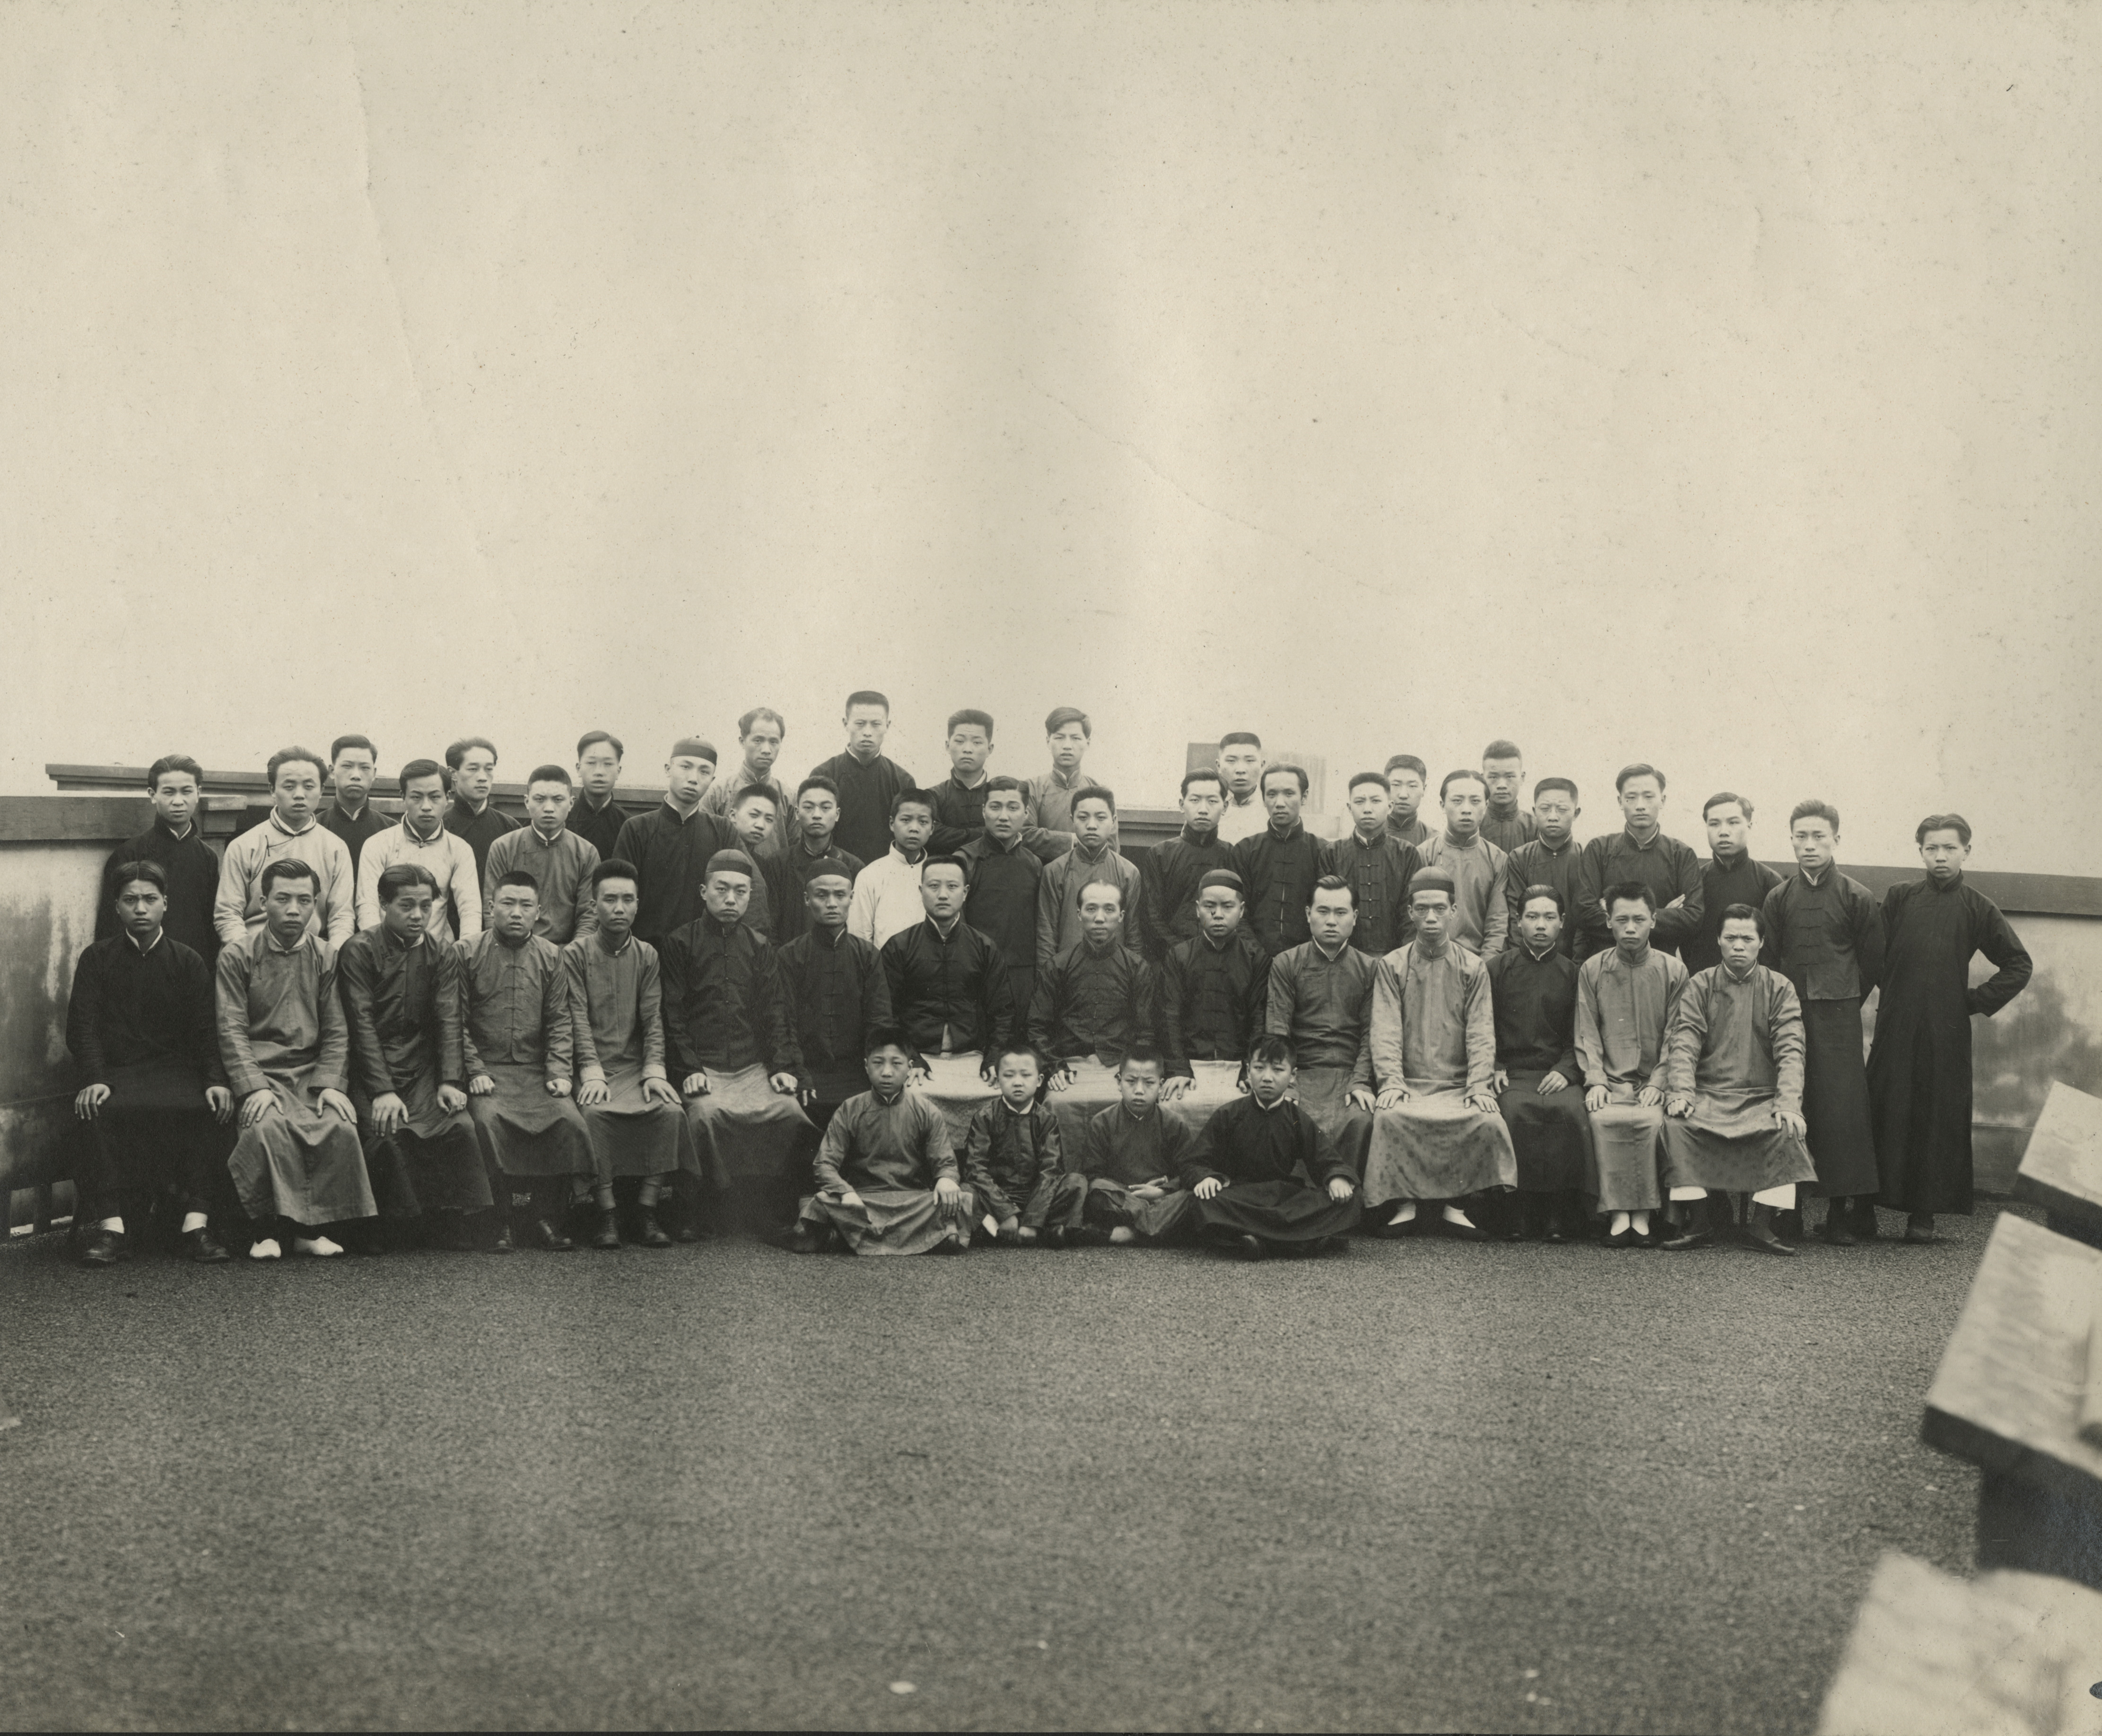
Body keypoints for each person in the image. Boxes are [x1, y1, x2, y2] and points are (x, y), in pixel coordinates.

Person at [1866, 814, 2032, 1243]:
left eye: (1949, 849)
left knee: (1934, 1114)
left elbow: (2018, 964)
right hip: (1896, 1025)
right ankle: (1861, 1211)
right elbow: (1874, 955)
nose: (1940, 857)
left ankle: (1922, 1215)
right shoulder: (1900, 898)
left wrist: (1973, 1001)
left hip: (1946, 1031)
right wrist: (1897, 991)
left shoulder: (1977, 907)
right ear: (1920, 851)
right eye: (1931, 849)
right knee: (1884, 1105)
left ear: (1966, 852)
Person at [67, 860, 235, 1266]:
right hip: (118, 1075)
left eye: (149, 899)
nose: (140, 908)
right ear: (117, 908)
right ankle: (112, 1229)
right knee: (91, 1109)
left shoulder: (188, 960)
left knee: (217, 1106)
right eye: (130, 900)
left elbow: (205, 1030)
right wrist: (95, 1078)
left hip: (176, 1073)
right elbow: (82, 1027)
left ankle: (195, 1226)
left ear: (165, 905)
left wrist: (216, 1079)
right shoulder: (97, 959)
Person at [216, 859, 375, 1259]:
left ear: (316, 904)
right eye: (282, 899)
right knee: (265, 1128)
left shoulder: (326, 956)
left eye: (304, 901)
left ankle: (309, 1229)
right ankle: (266, 1230)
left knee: (338, 1126)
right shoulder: (238, 955)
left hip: (309, 1073)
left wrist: (329, 1085)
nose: (293, 910)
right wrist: (253, 1087)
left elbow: (338, 1029)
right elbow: (230, 1028)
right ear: (263, 900)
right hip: (261, 1072)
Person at [659, 850, 817, 1235]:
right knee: (705, 1116)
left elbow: (774, 1014)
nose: (731, 900)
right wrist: (690, 1070)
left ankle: (765, 1203)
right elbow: (673, 1016)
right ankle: (699, 1207)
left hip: (750, 1066)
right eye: (722, 890)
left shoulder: (760, 946)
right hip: (704, 1065)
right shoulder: (680, 943)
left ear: (750, 897)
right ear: (703, 891)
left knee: (789, 1113)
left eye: (741, 892)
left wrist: (781, 1068)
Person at [337, 863, 493, 1251]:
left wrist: (449, 1080)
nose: (418, 916)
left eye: (426, 906)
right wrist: (382, 1091)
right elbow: (361, 1025)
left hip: (424, 1065)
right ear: (383, 903)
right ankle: (391, 1225)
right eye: (406, 906)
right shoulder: (358, 950)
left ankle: (450, 1219)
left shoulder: (442, 952)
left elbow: (448, 1019)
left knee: (457, 1126)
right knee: (385, 1132)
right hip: (371, 1067)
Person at [1360, 867, 1518, 1240]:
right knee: (1390, 1118)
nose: (1430, 917)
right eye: (1422, 909)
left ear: (1454, 911)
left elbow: (1481, 1031)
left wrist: (1478, 1085)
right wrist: (1390, 1082)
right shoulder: (1392, 966)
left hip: (1457, 1083)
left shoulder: (1473, 966)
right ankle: (1404, 1204)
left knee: (1486, 1120)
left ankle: (1457, 1204)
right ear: (1411, 913)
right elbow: (1384, 1029)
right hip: (1409, 1081)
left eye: (1438, 908)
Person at [1760, 800, 1885, 1243]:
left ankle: (1837, 1214)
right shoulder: (1778, 897)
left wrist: (1843, 996)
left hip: (1838, 1015)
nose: (1809, 846)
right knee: (1794, 1104)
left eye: (1818, 837)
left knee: (1841, 1112)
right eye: (1801, 836)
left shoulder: (1857, 896)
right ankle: (1789, 1213)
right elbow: (1770, 959)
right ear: (1790, 839)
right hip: (1789, 1013)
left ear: (1836, 839)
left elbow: (1872, 962)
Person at [1657, 905, 1815, 1256]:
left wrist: (1788, 1103)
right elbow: (1683, 1042)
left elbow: (1792, 1050)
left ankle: (1761, 1225)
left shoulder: (1779, 987)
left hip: (1760, 1096)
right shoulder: (1700, 984)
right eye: (1731, 938)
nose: (1738, 946)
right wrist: (1681, 1092)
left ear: (1761, 942)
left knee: (1785, 1129)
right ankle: (1699, 1223)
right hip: (1707, 1093)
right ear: (1718, 941)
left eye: (1747, 938)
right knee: (1677, 1125)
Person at [458, 871, 596, 1252]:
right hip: (487, 1072)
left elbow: (559, 1020)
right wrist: (475, 1070)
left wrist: (558, 1072)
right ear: (491, 908)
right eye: (507, 903)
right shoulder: (466, 952)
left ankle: (545, 1216)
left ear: (539, 912)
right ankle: (499, 1218)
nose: (516, 913)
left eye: (525, 906)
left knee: (566, 1119)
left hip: (536, 1072)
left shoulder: (552, 956)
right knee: (487, 1122)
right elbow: (456, 1021)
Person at [564, 859, 693, 1250]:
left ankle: (646, 1209)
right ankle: (607, 1213)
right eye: (610, 900)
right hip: (593, 1068)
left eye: (627, 900)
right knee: (594, 1114)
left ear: (638, 904)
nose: (618, 908)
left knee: (669, 1112)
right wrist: (590, 1070)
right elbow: (576, 1019)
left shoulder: (647, 955)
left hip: (635, 1068)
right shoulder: (575, 954)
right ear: (594, 904)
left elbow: (654, 1017)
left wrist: (654, 1070)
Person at [785, 1026, 974, 1256]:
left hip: (911, 1200)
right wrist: (845, 1192)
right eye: (878, 1063)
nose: (886, 1072)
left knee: (959, 1197)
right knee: (823, 1200)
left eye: (896, 1064)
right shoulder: (850, 1109)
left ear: (909, 1068)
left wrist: (946, 1179)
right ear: (866, 1066)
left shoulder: (926, 1111)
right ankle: (932, 1238)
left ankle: (845, 1238)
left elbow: (944, 1160)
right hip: (863, 1198)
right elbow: (825, 1164)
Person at [1575, 883, 1689, 1247]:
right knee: (1601, 1118)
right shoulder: (1592, 969)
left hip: (1654, 1082)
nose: (1629, 928)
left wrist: (1659, 1082)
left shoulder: (1673, 971)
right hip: (1610, 1081)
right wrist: (1595, 1080)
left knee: (1652, 1120)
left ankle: (1642, 1215)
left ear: (1654, 921)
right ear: (1607, 921)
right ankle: (1617, 1213)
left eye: (1638, 919)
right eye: (1621, 919)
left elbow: (1677, 1035)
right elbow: (1587, 1031)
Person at [1181, 1036, 1360, 1259]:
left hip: (1283, 1196)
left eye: (1277, 1070)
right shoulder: (1229, 1114)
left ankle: (1252, 1241)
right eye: (1259, 1068)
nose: (1267, 1078)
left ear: (1292, 1076)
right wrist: (1206, 1178)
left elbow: (1325, 1158)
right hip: (1241, 1196)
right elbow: (1194, 1162)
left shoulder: (1297, 1118)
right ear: (1248, 1071)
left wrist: (1336, 1177)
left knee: (1351, 1197)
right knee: (1203, 1201)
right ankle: (1299, 1242)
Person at [879, 855, 1022, 1132]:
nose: (943, 895)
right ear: (921, 891)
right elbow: (886, 1013)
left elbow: (1002, 1012)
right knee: (906, 1099)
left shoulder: (984, 947)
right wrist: (910, 1056)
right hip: (919, 1056)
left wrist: (993, 1057)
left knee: (999, 1100)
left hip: (971, 1056)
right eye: (934, 887)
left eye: (953, 887)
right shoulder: (899, 947)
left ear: (966, 893)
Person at [1485, 885, 1591, 1241]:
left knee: (1570, 1111)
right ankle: (1518, 1211)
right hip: (1511, 1073)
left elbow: (1581, 1033)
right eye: (1532, 917)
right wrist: (1495, 1064)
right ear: (1518, 922)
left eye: (1549, 917)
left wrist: (1565, 1070)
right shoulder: (1496, 969)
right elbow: (1483, 1027)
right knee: (1515, 1111)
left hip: (1557, 1072)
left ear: (1562, 923)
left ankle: (1559, 1212)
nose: (1540, 925)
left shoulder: (1573, 973)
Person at [1029, 877, 1158, 1146]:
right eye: (1091, 909)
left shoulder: (1137, 968)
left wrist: (1130, 1070)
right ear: (1078, 914)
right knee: (1058, 1103)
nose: (1100, 918)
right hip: (1070, 1066)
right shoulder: (1058, 966)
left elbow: (1146, 1030)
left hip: (1119, 1069)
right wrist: (1054, 1067)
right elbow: (1037, 1027)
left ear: (1122, 916)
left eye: (1109, 910)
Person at [1263, 876, 1375, 1176]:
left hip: (1350, 1075)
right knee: (1289, 1118)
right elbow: (1278, 1030)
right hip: (1304, 1073)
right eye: (1323, 911)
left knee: (1361, 1120)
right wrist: (1289, 1084)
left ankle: (1345, 1206)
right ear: (1307, 914)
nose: (1331, 921)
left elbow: (1371, 1033)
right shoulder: (1287, 963)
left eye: (1341, 913)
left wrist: (1361, 1081)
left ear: (1355, 918)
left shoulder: (1370, 968)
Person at [776, 860, 894, 1132]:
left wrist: (874, 1071)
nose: (832, 903)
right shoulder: (790, 955)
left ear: (851, 898)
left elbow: (880, 1021)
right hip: (808, 1072)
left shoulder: (867, 955)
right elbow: (785, 1023)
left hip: (857, 1073)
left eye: (840, 895)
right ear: (807, 900)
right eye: (822, 895)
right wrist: (798, 1073)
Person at [1160, 869, 1271, 1130]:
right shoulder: (1180, 956)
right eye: (1210, 906)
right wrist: (1178, 1069)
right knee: (1170, 1107)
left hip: (1237, 1067)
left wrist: (1250, 1069)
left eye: (1227, 906)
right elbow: (1170, 1017)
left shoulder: (1256, 959)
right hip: (1192, 1066)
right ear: (1198, 909)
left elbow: (1260, 1019)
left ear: (1241, 911)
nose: (1218, 914)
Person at [214, 747, 356, 947]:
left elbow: (342, 917)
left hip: (312, 956)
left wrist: (331, 959)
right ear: (272, 789)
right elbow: (228, 914)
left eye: (309, 786)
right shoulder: (244, 846)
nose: (299, 795)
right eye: (289, 786)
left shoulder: (335, 848)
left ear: (322, 790)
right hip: (252, 953)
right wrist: (248, 956)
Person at [96, 754, 222, 965]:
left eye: (187, 791)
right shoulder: (129, 854)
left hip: (194, 974)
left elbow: (212, 926)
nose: (178, 801)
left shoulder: (207, 857)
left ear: (199, 793)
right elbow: (109, 930)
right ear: (153, 795)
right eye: (169, 792)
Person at [1064, 1050, 1198, 1246]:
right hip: (1121, 1198)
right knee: (1095, 1190)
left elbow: (1187, 1172)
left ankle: (1130, 1233)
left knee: (1193, 1196)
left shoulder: (1174, 1123)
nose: (1139, 1090)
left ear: (1161, 1086)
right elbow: (1093, 1175)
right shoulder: (1102, 1123)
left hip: (1160, 1198)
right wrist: (1129, 1194)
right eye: (1131, 1081)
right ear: (1119, 1083)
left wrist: (1160, 1192)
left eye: (1149, 1083)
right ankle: (1151, 1229)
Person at [1573, 764, 1704, 960]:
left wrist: (1616, 915)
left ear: (1663, 800)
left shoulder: (1681, 854)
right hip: (1606, 962)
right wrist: (1661, 916)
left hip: (1662, 965)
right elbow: (1584, 912)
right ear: (1620, 801)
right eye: (1631, 797)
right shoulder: (1599, 849)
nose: (1640, 805)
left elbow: (1693, 917)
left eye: (1649, 797)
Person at [612, 738, 734, 946]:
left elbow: (748, 888)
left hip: (704, 954)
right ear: (668, 769)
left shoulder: (722, 830)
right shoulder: (637, 829)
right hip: (646, 953)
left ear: (712, 779)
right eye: (686, 767)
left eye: (704, 772)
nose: (693, 779)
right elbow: (618, 896)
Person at [356, 759, 482, 941]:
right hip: (387, 951)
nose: (426, 806)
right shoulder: (378, 844)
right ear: (403, 796)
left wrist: (465, 951)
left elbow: (470, 909)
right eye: (416, 797)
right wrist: (378, 950)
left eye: (435, 797)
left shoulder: (459, 849)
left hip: (439, 954)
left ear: (448, 797)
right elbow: (367, 904)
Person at [959, 1043, 1067, 1245]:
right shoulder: (985, 1117)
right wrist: (1006, 1212)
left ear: (1039, 1080)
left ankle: (1028, 1230)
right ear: (998, 1079)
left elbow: (1051, 1170)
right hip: (996, 1196)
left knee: (1075, 1183)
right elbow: (975, 1168)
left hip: (1035, 1196)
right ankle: (1007, 1230)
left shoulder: (1046, 1119)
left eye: (1026, 1075)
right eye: (1009, 1076)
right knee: (966, 1191)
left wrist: (1032, 1219)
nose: (1018, 1083)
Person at [926, 708, 1070, 860]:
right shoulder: (933, 796)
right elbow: (931, 836)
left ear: (990, 749)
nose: (967, 749)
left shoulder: (1001, 796)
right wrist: (987, 832)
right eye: (960, 741)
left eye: (977, 742)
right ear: (948, 746)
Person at [481, 765, 600, 946]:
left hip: (566, 954)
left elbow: (588, 917)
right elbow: (493, 912)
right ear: (527, 802)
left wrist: (572, 955)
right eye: (540, 799)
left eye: (558, 799)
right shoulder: (504, 847)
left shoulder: (586, 852)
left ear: (571, 803)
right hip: (513, 949)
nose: (549, 808)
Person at [959, 775, 1045, 1012]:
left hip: (1022, 976)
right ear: (984, 811)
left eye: (1013, 808)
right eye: (995, 807)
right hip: (977, 973)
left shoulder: (1034, 864)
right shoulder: (966, 860)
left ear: (1026, 814)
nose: (1004, 816)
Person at [807, 690, 917, 868]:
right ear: (846, 724)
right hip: (835, 871)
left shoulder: (902, 780)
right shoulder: (824, 774)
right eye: (860, 724)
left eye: (876, 724)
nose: (867, 732)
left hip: (886, 873)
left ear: (887, 726)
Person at [1036, 786, 1142, 970]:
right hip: (1067, 973)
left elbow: (1134, 936)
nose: (1092, 825)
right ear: (1072, 821)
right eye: (1083, 818)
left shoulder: (1128, 872)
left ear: (1114, 821)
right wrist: (1048, 979)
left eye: (1101, 818)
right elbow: (1046, 934)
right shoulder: (1055, 871)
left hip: (1116, 974)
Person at [1233, 764, 1332, 955]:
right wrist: (1257, 956)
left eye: (1289, 793)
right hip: (1255, 961)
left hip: (1308, 960)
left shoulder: (1323, 851)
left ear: (1304, 797)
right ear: (1263, 799)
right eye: (1271, 794)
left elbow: (1328, 912)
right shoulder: (1245, 850)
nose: (1279, 803)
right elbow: (1238, 912)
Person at [1682, 792, 1784, 975]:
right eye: (1714, 824)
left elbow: (1776, 947)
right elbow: (1686, 943)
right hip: (1703, 988)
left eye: (1733, 823)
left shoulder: (1770, 881)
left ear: (1749, 825)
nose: (1723, 831)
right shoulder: (1694, 880)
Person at [1138, 767, 1232, 962]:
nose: (1203, 809)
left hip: (1222, 958)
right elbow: (1152, 915)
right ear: (1182, 804)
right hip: (1170, 960)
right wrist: (1179, 952)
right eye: (1195, 800)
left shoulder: (1233, 855)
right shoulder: (1160, 854)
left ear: (1225, 807)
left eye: (1213, 801)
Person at [1330, 772, 1422, 957]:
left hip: (1396, 958)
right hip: (1345, 958)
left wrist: (1403, 959)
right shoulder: (1332, 854)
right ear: (1349, 808)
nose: (1367, 809)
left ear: (1390, 806)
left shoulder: (1407, 854)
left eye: (1375, 801)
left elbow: (1411, 913)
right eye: (1360, 802)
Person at [1419, 770, 1509, 957]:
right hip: (1431, 959)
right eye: (1457, 801)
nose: (1466, 809)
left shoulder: (1497, 859)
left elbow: (1497, 923)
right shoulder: (1423, 854)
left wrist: (1485, 967)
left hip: (1479, 964)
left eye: (1475, 801)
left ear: (1486, 806)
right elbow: (1413, 918)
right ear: (1443, 805)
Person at [773, 775, 865, 944]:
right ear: (796, 813)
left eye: (825, 808)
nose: (817, 815)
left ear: (837, 814)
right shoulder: (777, 864)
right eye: (808, 808)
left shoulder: (854, 866)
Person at [847, 788, 939, 948]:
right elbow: (860, 938)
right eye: (906, 820)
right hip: (883, 969)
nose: (914, 828)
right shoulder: (870, 875)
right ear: (892, 823)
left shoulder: (940, 874)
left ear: (932, 828)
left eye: (923, 822)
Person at [1502, 778, 1584, 956]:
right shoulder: (1520, 858)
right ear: (1535, 811)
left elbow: (1584, 920)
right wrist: (1519, 962)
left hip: (1574, 960)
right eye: (1545, 809)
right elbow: (1516, 916)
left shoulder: (1585, 857)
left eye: (1562, 810)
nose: (1553, 817)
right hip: (1528, 959)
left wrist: (1577, 964)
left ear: (1576, 813)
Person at [699, 708, 794, 855]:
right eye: (758, 740)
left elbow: (796, 849)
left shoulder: (788, 797)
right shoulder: (718, 793)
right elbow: (704, 846)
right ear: (742, 742)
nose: (767, 750)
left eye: (774, 742)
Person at [720, 785, 796, 941]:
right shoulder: (717, 854)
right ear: (733, 815)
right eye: (754, 815)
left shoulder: (763, 865)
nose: (760, 825)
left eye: (769, 819)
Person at [442, 737, 520, 880]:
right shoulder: (441, 827)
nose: (483, 777)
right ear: (453, 774)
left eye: (489, 769)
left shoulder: (510, 827)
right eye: (473, 769)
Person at [319, 735, 389, 894]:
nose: (356, 775)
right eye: (347, 766)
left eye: (365, 768)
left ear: (374, 773)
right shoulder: (315, 827)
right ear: (331, 771)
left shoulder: (390, 831)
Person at [568, 730, 632, 862]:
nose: (599, 772)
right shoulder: (563, 819)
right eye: (591, 763)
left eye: (608, 764)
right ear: (578, 768)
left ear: (619, 771)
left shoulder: (629, 826)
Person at [1035, 706, 1099, 835]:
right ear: (1048, 742)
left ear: (1088, 743)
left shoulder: (1098, 792)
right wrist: (1074, 841)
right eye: (1059, 738)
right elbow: (1026, 835)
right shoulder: (1032, 789)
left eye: (1076, 738)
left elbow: (1111, 844)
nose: (1067, 746)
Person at [1479, 739, 1539, 853]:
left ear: (1522, 778)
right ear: (1483, 779)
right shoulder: (1474, 825)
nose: (1502, 785)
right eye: (1493, 777)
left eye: (1510, 777)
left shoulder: (1535, 827)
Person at [1214, 731, 1269, 844]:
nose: (1240, 770)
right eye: (1231, 761)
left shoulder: (1272, 808)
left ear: (1262, 765)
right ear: (1219, 766)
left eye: (1250, 761)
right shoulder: (1207, 808)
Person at [1385, 755, 1432, 847]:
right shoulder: (1367, 836)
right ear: (1385, 787)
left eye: (1412, 786)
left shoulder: (1433, 840)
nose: (1403, 795)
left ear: (1424, 790)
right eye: (1396, 785)